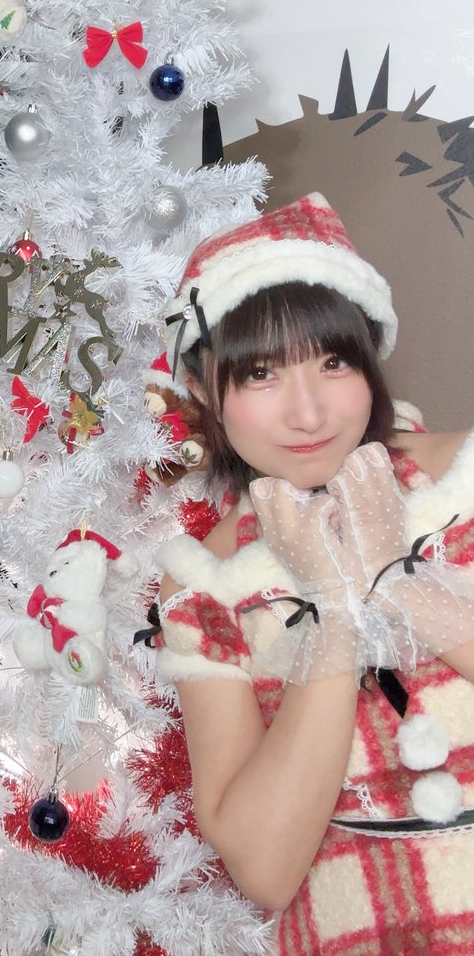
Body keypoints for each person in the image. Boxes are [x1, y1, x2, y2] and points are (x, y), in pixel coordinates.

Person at [154, 193, 474, 955]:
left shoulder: (463, 481)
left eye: (333, 362)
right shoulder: (207, 582)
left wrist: (396, 576)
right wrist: (332, 607)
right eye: (261, 374)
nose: (309, 413)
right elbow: (265, 867)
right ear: (201, 389)